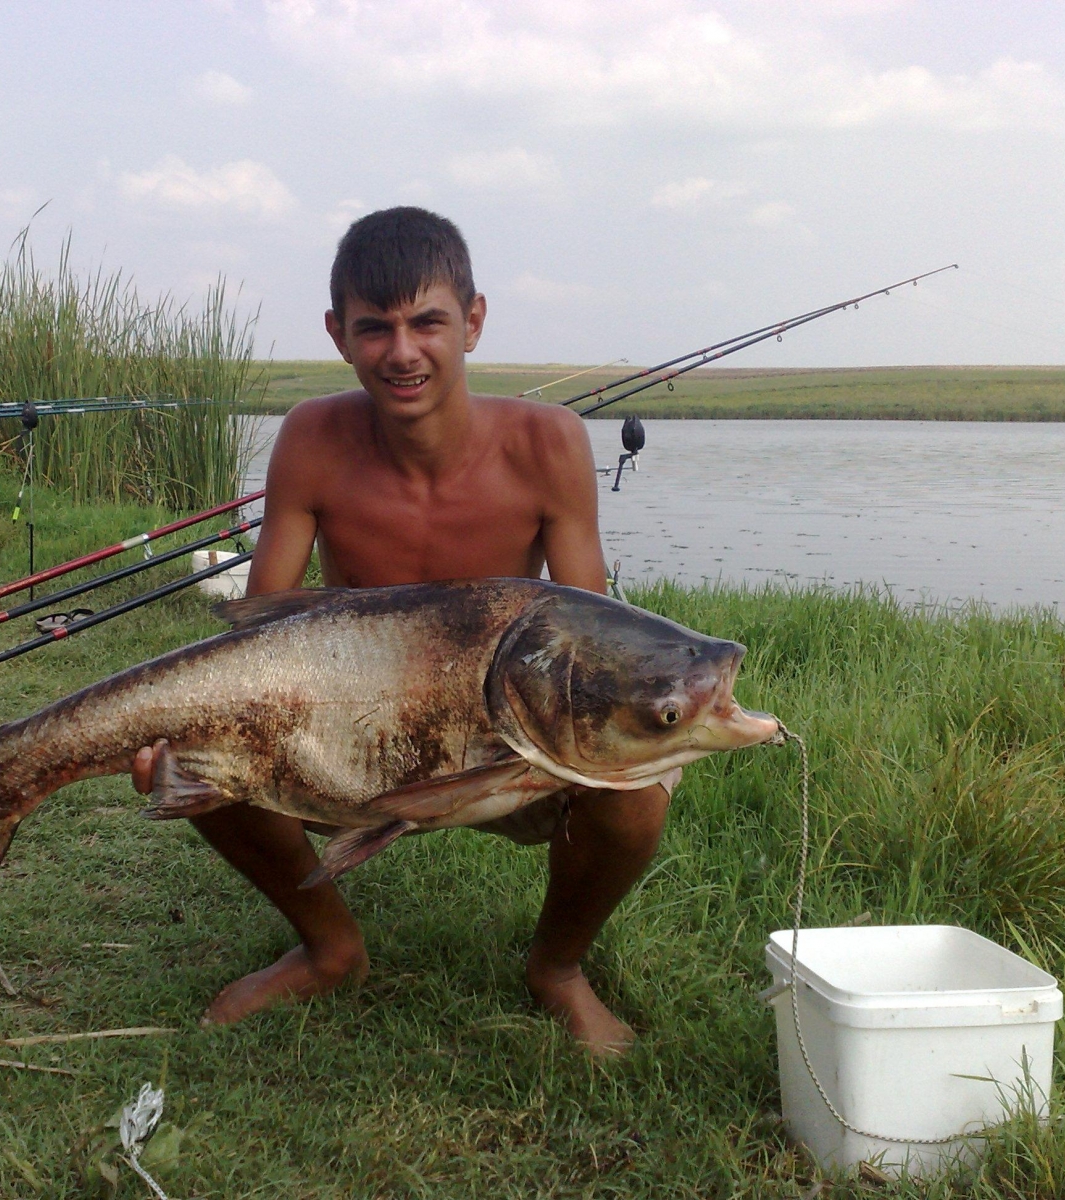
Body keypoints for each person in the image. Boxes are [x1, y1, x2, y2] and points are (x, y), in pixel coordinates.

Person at [131, 207, 678, 1055]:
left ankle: (558, 968)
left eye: (427, 322)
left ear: (473, 321)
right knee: (199, 752)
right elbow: (258, 640)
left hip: (506, 739)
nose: (402, 351)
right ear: (338, 336)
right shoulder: (312, 438)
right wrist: (192, 732)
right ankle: (330, 948)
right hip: (354, 743)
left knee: (635, 792)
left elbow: (588, 645)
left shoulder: (550, 443)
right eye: (374, 328)